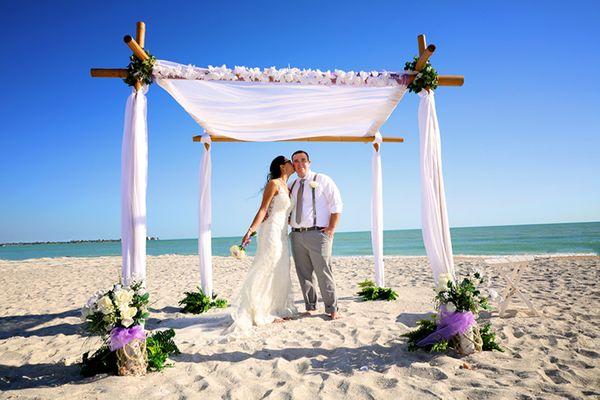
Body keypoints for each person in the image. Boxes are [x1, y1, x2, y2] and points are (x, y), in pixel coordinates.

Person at [229, 156, 298, 332]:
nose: (293, 164)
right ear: (283, 167)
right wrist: (250, 230)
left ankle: (276, 308)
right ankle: (261, 311)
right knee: (268, 266)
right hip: (271, 232)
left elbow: (286, 213)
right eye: (290, 162)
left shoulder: (288, 188)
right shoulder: (274, 184)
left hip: (283, 233)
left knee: (280, 268)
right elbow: (263, 209)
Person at [288, 150, 343, 320]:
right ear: (293, 165)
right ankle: (310, 306)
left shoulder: (322, 179)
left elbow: (337, 205)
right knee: (303, 274)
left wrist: (331, 229)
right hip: (296, 235)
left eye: (303, 160)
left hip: (318, 234)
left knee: (323, 272)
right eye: (296, 161)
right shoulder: (292, 184)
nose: (299, 164)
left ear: (309, 162)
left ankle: (332, 308)